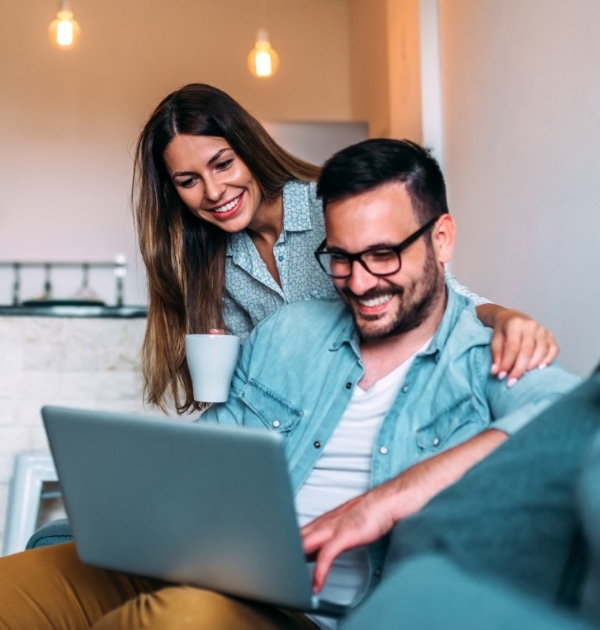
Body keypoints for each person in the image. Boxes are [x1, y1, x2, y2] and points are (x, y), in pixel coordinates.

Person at [0, 138, 578, 630]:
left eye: (382, 254)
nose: (360, 282)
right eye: (341, 258)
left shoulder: (488, 352)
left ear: (442, 239)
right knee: (15, 586)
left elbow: (569, 414)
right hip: (218, 567)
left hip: (313, 612)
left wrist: (382, 504)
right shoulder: (286, 334)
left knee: (181, 618)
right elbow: (211, 452)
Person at [132, 83, 558, 414]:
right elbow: (246, 387)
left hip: (384, 401)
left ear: (249, 150)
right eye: (189, 181)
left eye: (223, 164)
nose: (213, 191)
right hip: (305, 429)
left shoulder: (330, 208)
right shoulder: (212, 262)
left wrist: (505, 318)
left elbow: (435, 293)